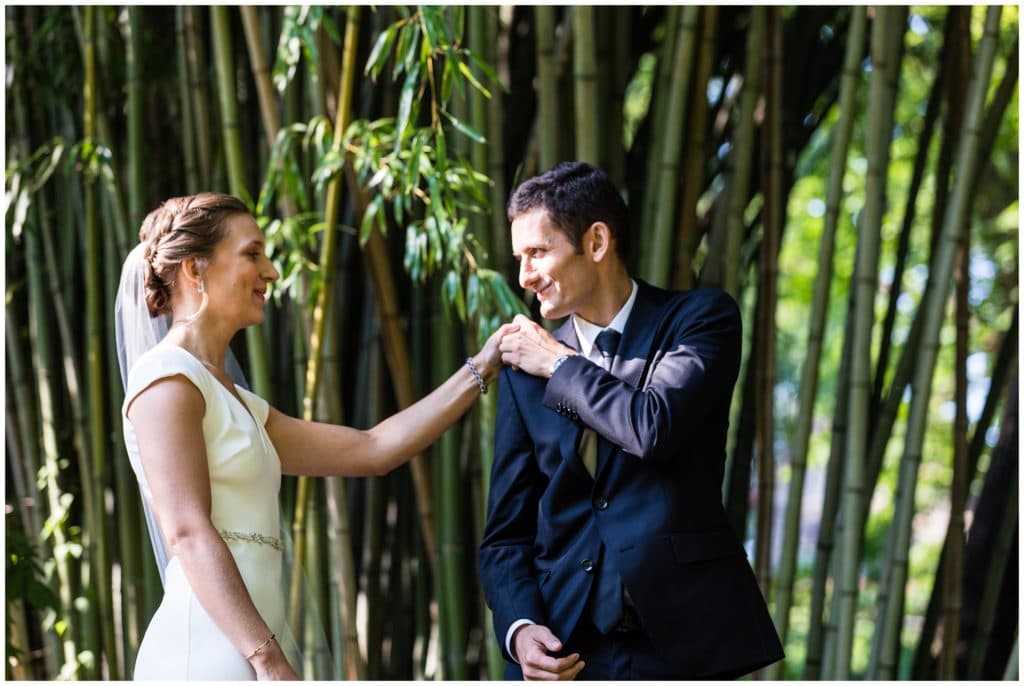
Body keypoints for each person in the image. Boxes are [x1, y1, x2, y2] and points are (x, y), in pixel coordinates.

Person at [116, 192, 515, 680]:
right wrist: (268, 659)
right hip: (207, 653)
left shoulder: (236, 400)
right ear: (196, 270)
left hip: (248, 647)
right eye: (252, 253)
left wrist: (483, 366)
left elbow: (373, 449)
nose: (272, 271)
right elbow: (188, 532)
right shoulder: (166, 379)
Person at [478, 162, 784, 680]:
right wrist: (520, 627)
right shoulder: (520, 369)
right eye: (519, 257)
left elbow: (652, 425)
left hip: (678, 648)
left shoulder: (698, 321)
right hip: (563, 650)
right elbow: (505, 536)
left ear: (597, 242)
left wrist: (557, 363)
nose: (524, 276)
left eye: (537, 252)